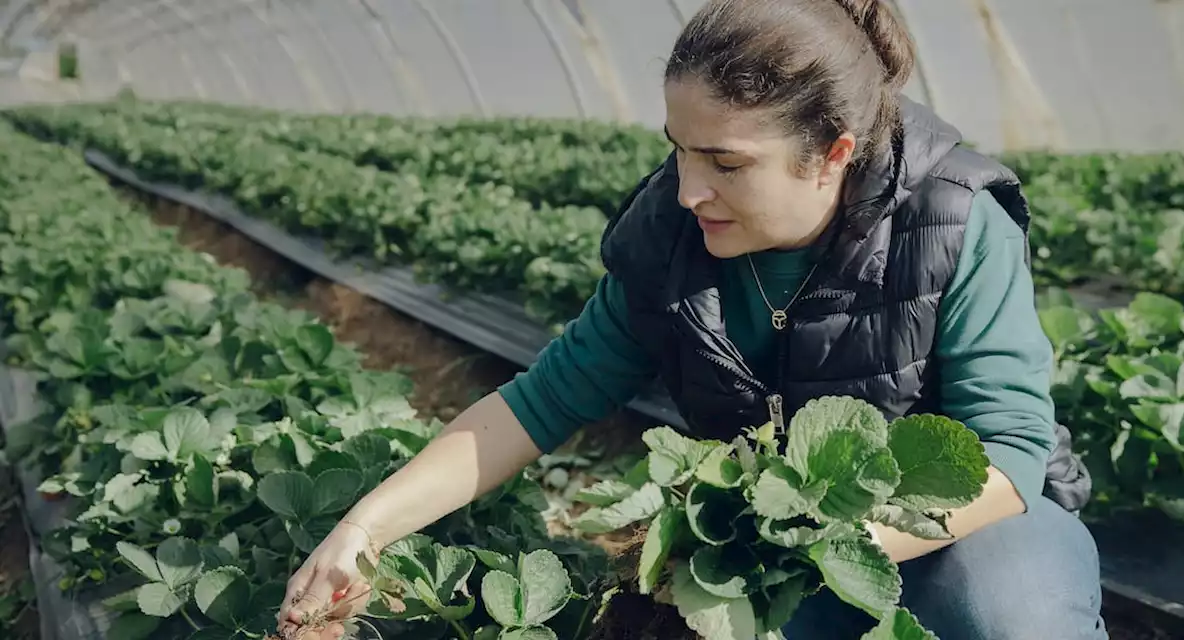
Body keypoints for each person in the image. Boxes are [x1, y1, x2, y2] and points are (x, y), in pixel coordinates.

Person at [276, 0, 1106, 638]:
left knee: (1004, 611)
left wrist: (822, 547)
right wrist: (364, 528)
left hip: (972, 535)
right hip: (785, 554)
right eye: (678, 148)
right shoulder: (672, 237)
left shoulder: (955, 219)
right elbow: (540, 402)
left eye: (727, 163)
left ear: (834, 154)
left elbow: (1010, 456)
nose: (687, 189)